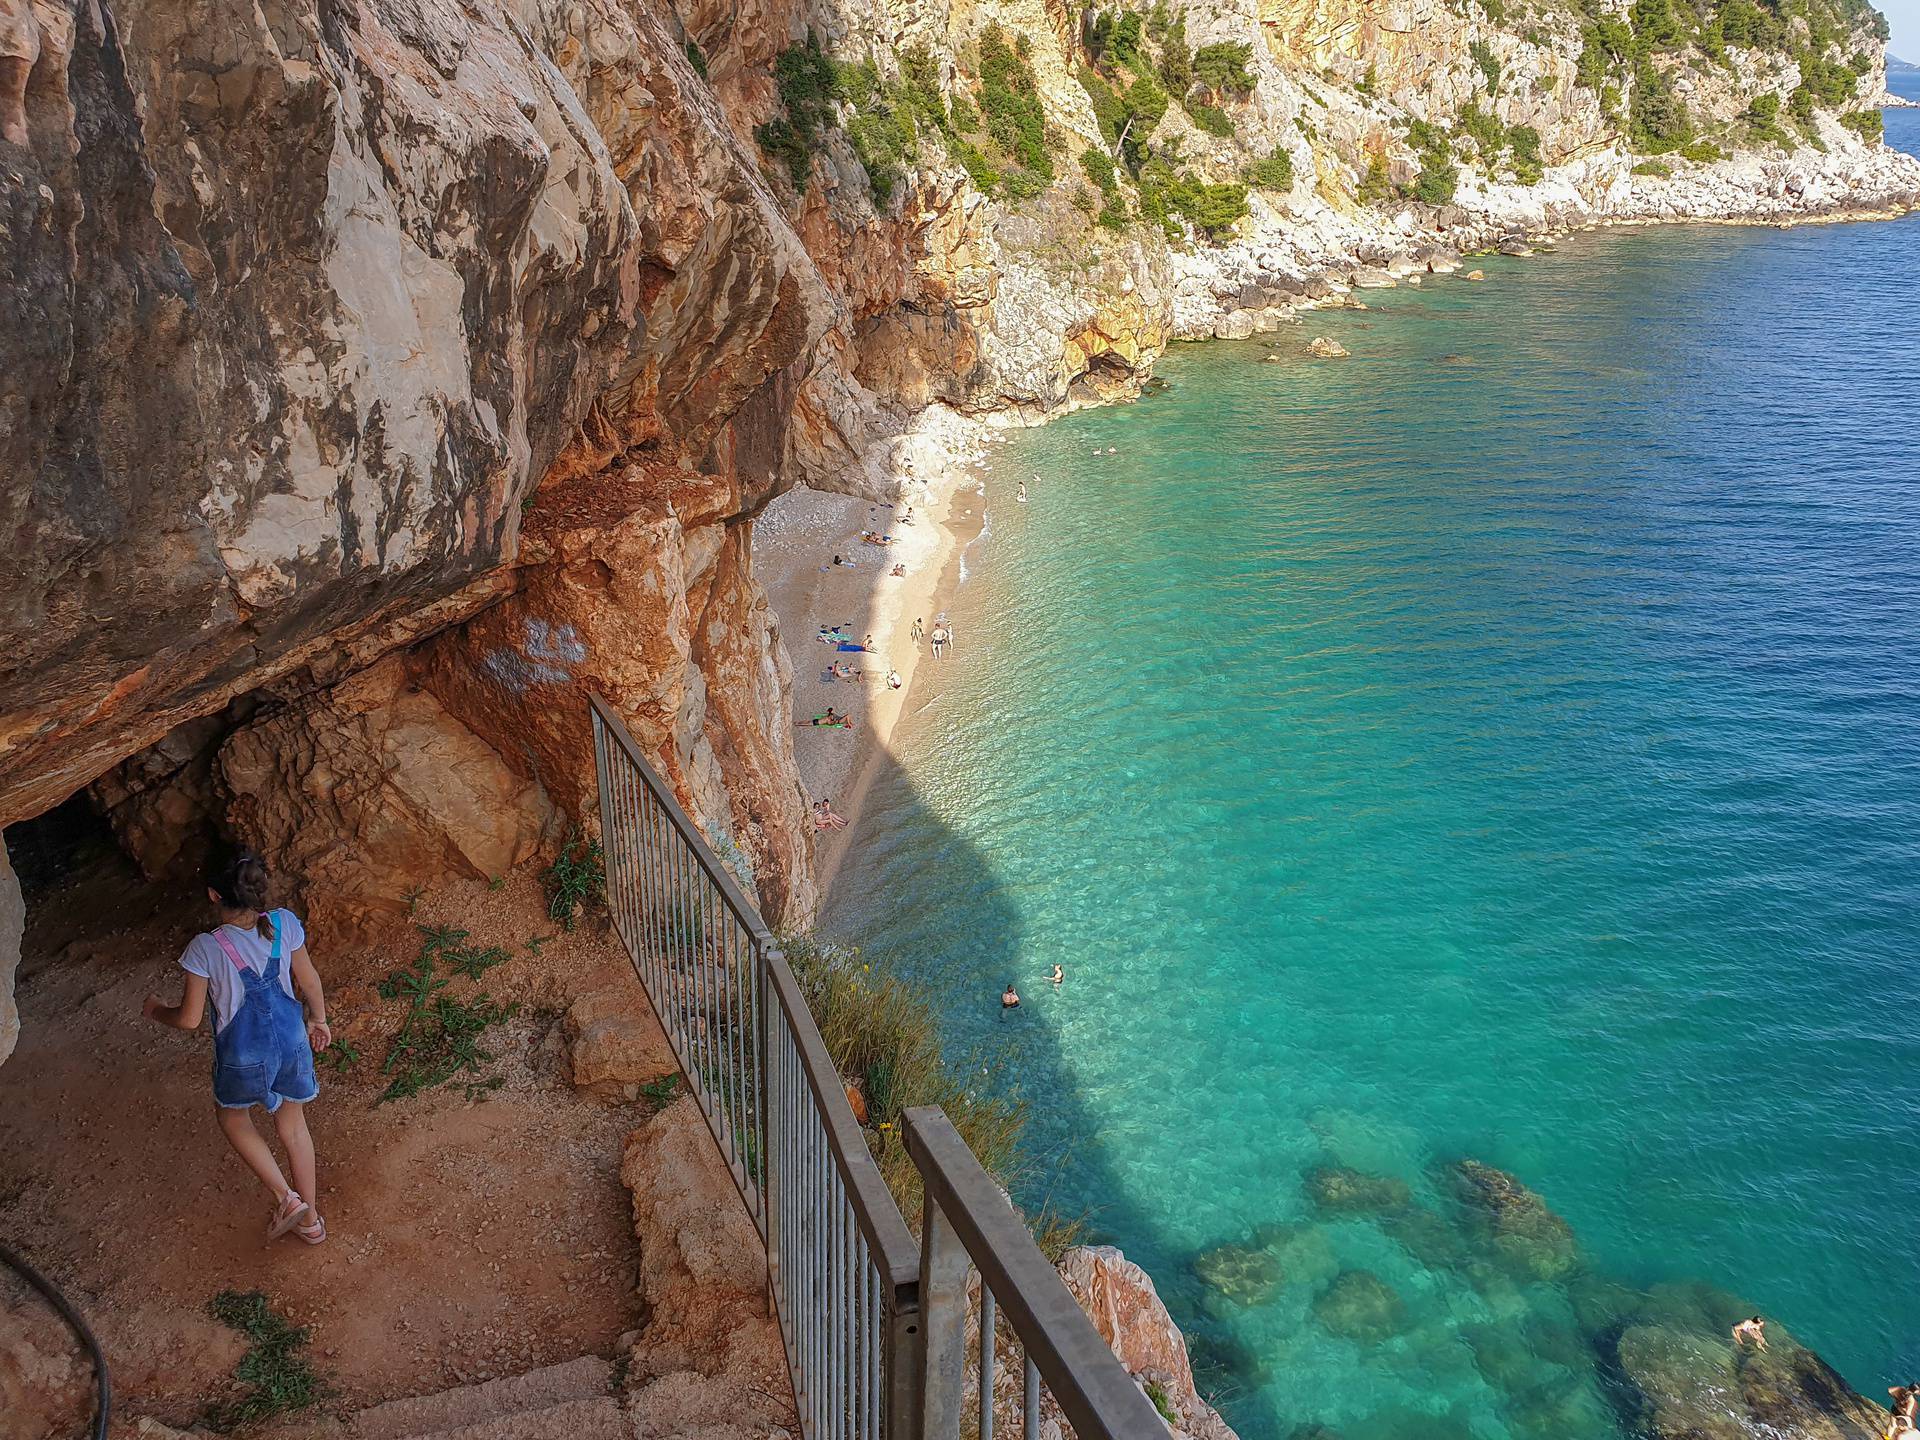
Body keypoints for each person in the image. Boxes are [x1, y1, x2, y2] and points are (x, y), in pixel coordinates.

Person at [143, 851, 330, 1247]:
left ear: (213, 895)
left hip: (243, 1054)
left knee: (232, 1119)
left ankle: (286, 1197)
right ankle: (311, 1222)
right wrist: (319, 1018)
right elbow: (308, 978)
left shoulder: (205, 949)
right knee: (293, 1127)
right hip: (292, 1042)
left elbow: (190, 1019)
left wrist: (157, 1010)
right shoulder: (283, 923)